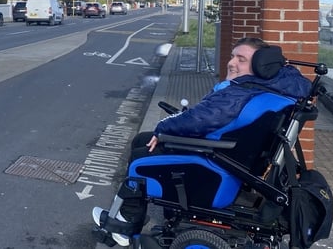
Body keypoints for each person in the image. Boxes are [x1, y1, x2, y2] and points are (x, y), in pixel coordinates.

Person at [92, 37, 313, 247]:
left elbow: (200, 120)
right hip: (234, 157)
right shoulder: (276, 87)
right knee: (143, 138)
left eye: (241, 59)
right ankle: (133, 210)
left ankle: (125, 223)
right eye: (233, 56)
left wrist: (163, 129)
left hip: (215, 162)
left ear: (261, 65)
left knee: (143, 153)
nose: (232, 62)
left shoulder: (240, 93)